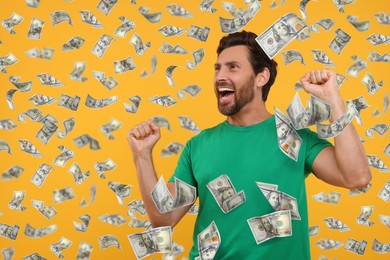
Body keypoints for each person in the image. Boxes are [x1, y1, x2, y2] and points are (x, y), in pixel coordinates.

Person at [127, 31, 371, 259]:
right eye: (218, 68)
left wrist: (333, 100)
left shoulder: (294, 137)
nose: (220, 76)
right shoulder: (198, 145)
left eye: (233, 68)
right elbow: (163, 218)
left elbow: (356, 177)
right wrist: (142, 155)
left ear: (261, 77)